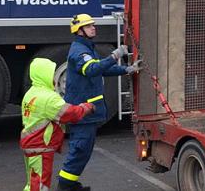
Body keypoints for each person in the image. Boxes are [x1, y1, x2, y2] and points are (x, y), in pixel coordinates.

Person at [58, 14, 142, 191]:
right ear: (79, 31)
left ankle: (70, 184)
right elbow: (91, 69)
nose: (93, 28)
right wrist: (114, 56)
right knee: (80, 150)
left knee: (83, 151)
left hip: (87, 113)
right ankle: (65, 186)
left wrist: (126, 69)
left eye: (93, 25)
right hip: (83, 113)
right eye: (89, 26)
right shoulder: (79, 51)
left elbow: (101, 70)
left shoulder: (86, 47)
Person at [20, 57, 95, 191]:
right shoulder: (48, 97)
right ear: (43, 75)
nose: (54, 76)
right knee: (40, 184)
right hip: (41, 146)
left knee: (32, 182)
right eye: (51, 73)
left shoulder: (31, 93)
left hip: (29, 143)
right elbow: (70, 114)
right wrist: (86, 107)